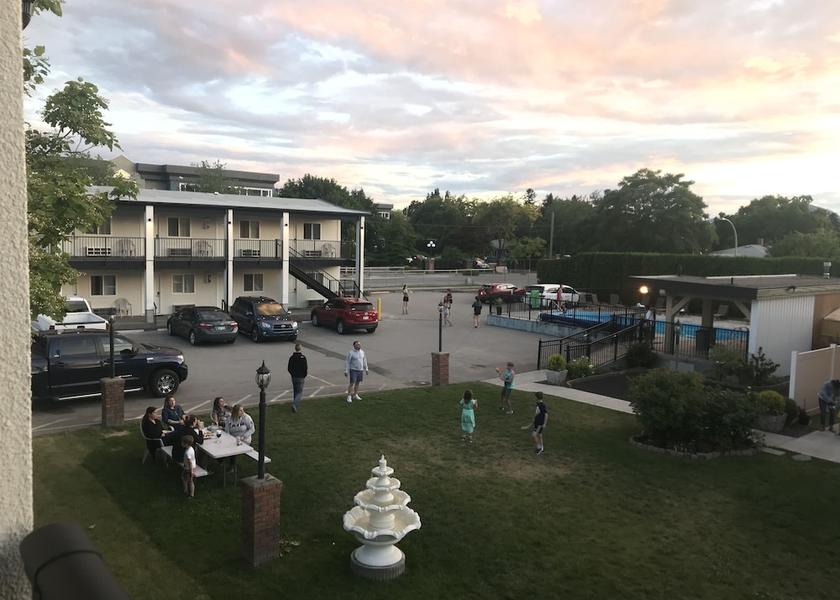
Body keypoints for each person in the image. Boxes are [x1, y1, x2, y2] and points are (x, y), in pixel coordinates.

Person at [288, 342, 308, 413]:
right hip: (301, 377)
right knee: (299, 392)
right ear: (300, 348)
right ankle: (295, 404)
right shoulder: (303, 358)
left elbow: (289, 368)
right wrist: (304, 375)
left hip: (294, 377)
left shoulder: (292, 358)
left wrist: (292, 374)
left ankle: (295, 403)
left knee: (295, 390)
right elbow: (305, 368)